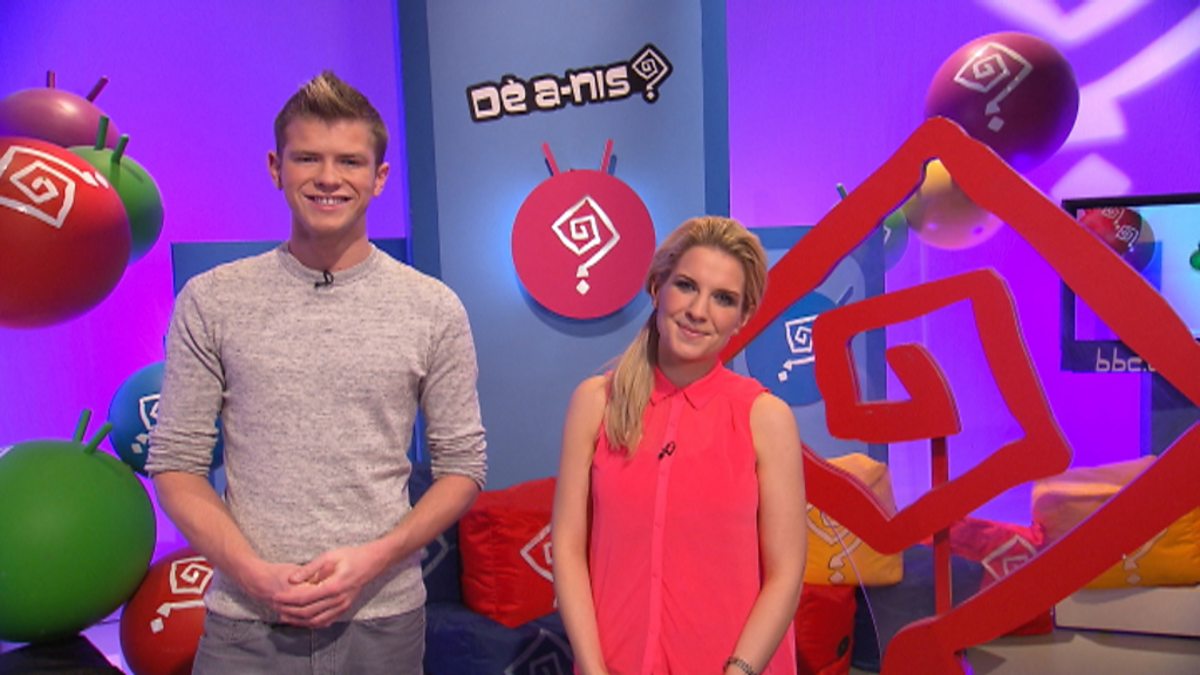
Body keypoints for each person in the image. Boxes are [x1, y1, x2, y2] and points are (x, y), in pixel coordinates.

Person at [146, 71, 486, 674]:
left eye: (350, 161)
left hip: (382, 622)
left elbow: (463, 468)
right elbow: (176, 465)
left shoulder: (433, 308)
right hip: (245, 626)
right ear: (276, 168)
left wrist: (375, 559)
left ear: (379, 177)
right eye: (308, 158)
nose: (329, 178)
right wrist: (254, 575)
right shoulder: (213, 300)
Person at [552, 216, 807, 675]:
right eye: (687, 286)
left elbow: (786, 574)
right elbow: (568, 548)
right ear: (658, 288)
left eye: (723, 298)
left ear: (742, 317)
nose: (698, 311)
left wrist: (739, 671)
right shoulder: (595, 403)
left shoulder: (766, 418)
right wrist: (591, 668)